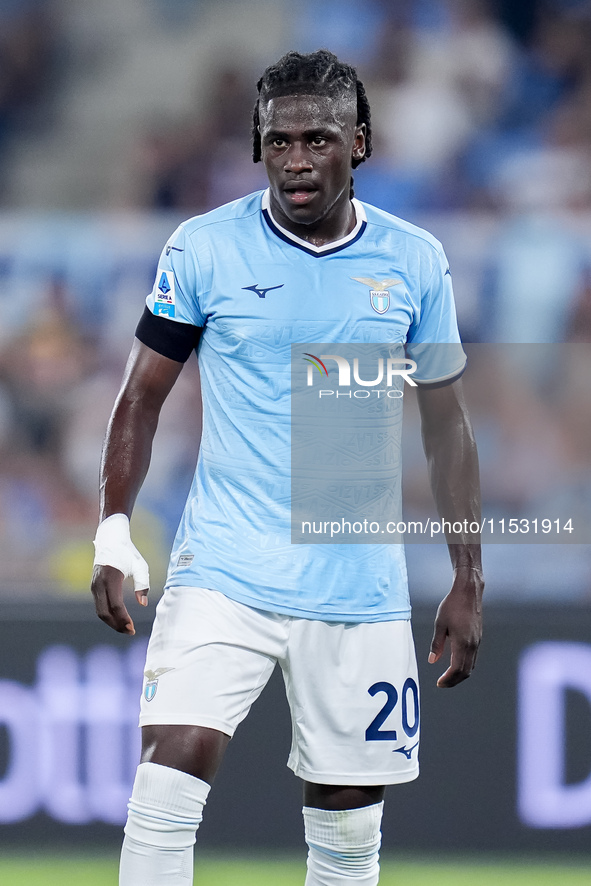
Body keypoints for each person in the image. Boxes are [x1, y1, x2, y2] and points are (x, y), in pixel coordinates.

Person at [91, 49, 483, 886]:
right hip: (224, 567)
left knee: (345, 839)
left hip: (358, 584)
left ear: (360, 143)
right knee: (167, 778)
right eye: (278, 143)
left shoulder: (414, 262)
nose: (296, 161)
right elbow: (140, 398)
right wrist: (115, 528)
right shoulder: (203, 248)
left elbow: (446, 427)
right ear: (257, 146)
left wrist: (466, 578)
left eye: (317, 139)